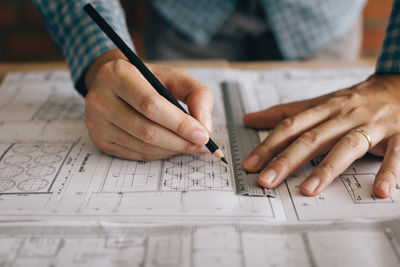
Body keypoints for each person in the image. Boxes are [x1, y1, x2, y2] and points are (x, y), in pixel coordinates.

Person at [32, 0, 400, 199]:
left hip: (321, 16)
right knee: (148, 111)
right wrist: (103, 58)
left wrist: (395, 82)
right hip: (187, 15)